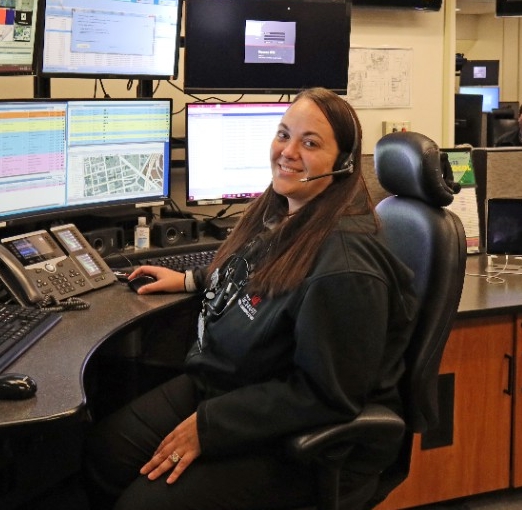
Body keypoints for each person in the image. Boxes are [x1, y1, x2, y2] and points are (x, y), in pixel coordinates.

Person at [85, 88, 418, 509]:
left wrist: (210, 427)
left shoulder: (346, 266)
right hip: (230, 384)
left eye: (310, 143)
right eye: (284, 134)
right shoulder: (288, 212)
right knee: (107, 453)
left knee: (142, 505)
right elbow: (258, 272)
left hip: (301, 439)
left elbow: (327, 393)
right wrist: (191, 279)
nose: (288, 151)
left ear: (343, 164)